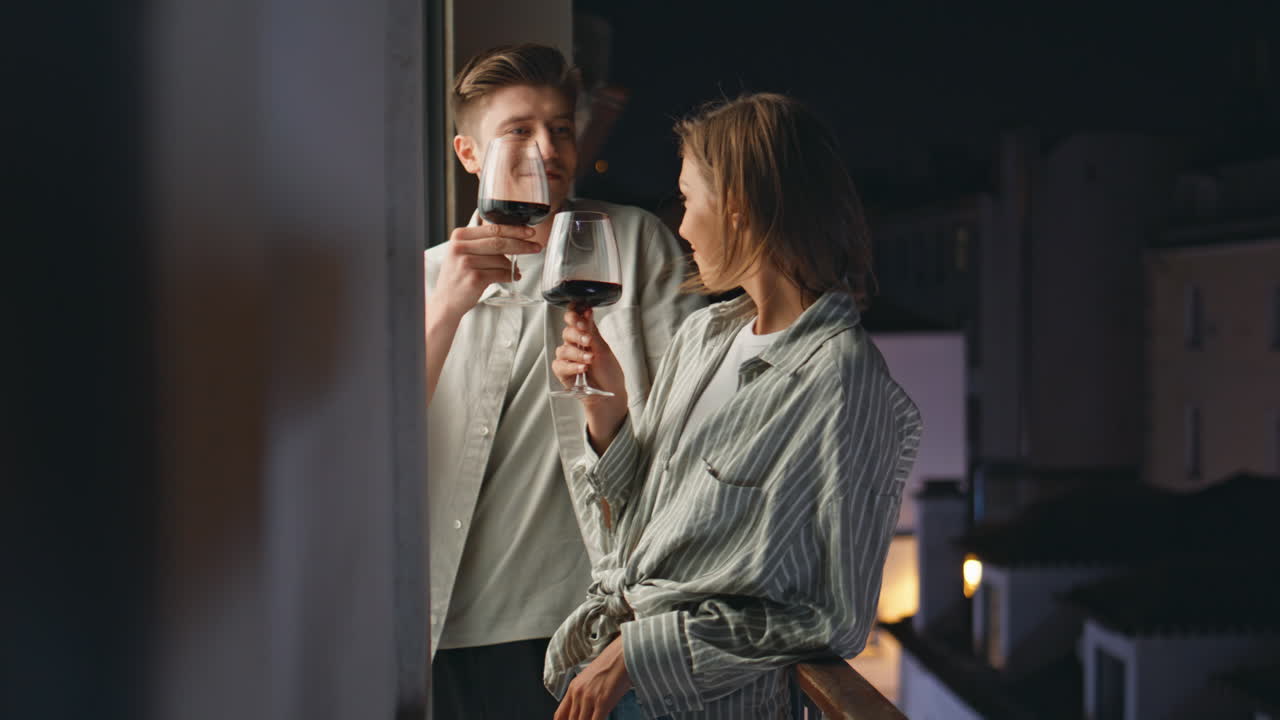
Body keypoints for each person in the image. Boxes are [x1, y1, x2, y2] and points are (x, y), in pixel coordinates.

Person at [544, 93, 923, 719]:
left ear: (738, 209)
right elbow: (634, 528)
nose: (682, 228)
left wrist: (641, 652)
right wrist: (607, 409)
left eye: (688, 201)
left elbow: (834, 618)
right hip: (615, 683)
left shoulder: (841, 382)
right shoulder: (703, 335)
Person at [423, 44, 702, 719]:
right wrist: (445, 310)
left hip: (585, 628)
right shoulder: (424, 277)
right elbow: (366, 450)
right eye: (519, 131)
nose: (547, 149)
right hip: (441, 631)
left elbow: (688, 429)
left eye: (560, 129)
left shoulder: (632, 244)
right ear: (469, 154)